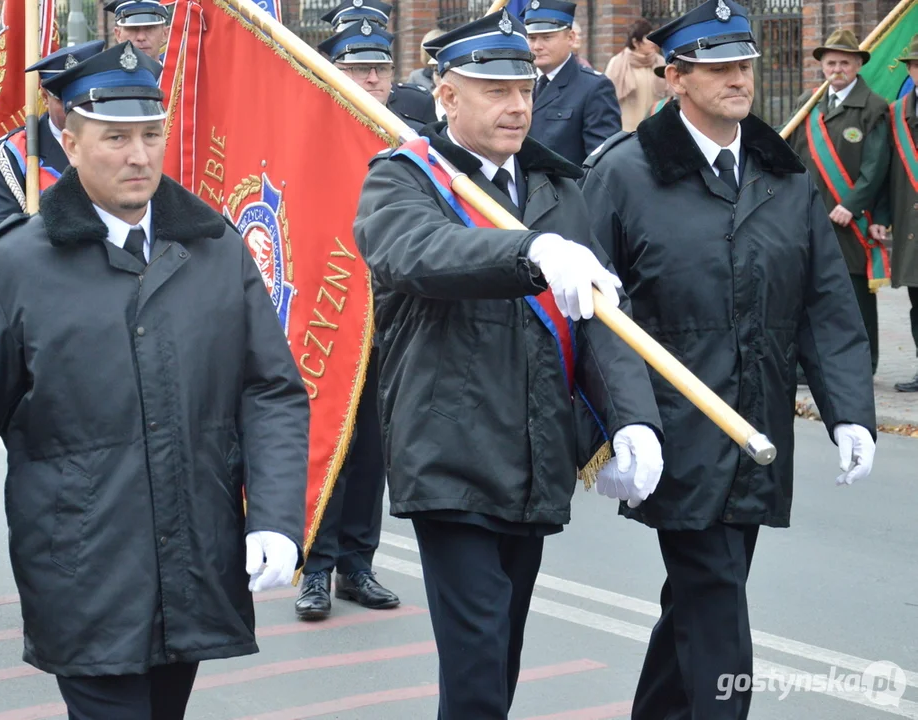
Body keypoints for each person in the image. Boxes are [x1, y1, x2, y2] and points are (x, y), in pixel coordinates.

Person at [0, 42, 309, 718]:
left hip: (195, 560)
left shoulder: (213, 250)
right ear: (68, 141)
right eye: (115, 137)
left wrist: (274, 516)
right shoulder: (12, 270)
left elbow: (269, 389)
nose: (138, 155)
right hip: (84, 568)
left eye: (151, 135)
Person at [354, 10, 665, 719]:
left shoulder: (555, 188)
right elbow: (414, 254)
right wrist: (526, 253)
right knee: (475, 667)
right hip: (450, 452)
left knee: (500, 658)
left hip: (532, 454)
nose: (517, 106)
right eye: (494, 90)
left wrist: (631, 420)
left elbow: (600, 318)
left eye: (524, 88)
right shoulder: (404, 179)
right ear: (446, 94)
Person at [578, 2, 878, 718]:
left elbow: (824, 302)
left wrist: (849, 413)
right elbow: (591, 315)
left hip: (756, 427)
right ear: (674, 77)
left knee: (697, 596)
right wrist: (619, 423)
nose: (737, 79)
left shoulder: (782, 174)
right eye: (717, 68)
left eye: (742, 64)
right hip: (673, 432)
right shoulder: (624, 174)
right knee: (713, 599)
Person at [295, 0, 425, 621]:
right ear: (335, 69)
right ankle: (314, 569)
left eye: (379, 67)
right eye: (357, 67)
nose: (371, 79)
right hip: (327, 300)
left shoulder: (413, 123)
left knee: (373, 443)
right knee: (329, 439)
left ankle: (357, 564)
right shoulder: (315, 120)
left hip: (390, 302)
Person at [789, 28, 889, 376]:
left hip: (850, 218)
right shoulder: (809, 103)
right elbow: (794, 156)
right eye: (830, 63)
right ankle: (811, 362)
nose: (836, 69)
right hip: (812, 212)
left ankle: (863, 362)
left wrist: (853, 203)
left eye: (844, 63)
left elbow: (876, 166)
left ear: (857, 65)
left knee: (855, 292)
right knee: (812, 291)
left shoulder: (873, 106)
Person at [0, 40, 105, 235]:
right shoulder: (17, 151)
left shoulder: (117, 138)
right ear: (45, 98)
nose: (74, 106)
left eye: (83, 96)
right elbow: (0, 232)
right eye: (63, 99)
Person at [873, 34, 918, 393]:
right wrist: (880, 217)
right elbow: (884, 171)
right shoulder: (897, 114)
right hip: (910, 227)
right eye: (916, 65)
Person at [523, 0, 621, 165]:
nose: (537, 46)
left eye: (547, 37)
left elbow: (602, 163)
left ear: (570, 37)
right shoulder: (521, 83)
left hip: (565, 188)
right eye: (532, 38)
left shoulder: (594, 87)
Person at [317, 2, 437, 131]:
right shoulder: (315, 127)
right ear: (337, 72)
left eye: (382, 69)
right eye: (361, 69)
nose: (374, 79)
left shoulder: (416, 134)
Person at [603, 18, 665, 131]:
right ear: (635, 42)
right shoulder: (618, 63)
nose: (653, 43)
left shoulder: (660, 62)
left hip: (655, 129)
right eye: (648, 39)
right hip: (627, 130)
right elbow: (606, 98)